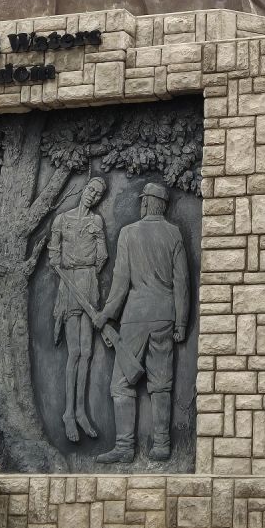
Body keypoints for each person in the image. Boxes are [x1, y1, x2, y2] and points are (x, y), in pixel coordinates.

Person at [94, 182, 189, 464]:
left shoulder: (128, 233)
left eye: (142, 201)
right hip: (164, 315)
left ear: (146, 203)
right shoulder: (174, 233)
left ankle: (125, 447)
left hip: (134, 317)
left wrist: (106, 313)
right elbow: (182, 282)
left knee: (122, 383)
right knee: (161, 382)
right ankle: (161, 445)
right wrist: (181, 323)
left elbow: (121, 282)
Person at [47, 177, 108, 444]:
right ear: (84, 189)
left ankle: (81, 411)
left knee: (87, 352)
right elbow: (53, 254)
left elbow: (102, 255)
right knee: (74, 352)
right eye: (91, 189)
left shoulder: (97, 222)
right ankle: (68, 413)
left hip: (89, 282)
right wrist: (67, 263)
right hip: (69, 284)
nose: (93, 195)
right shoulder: (62, 219)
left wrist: (88, 266)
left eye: (98, 194)